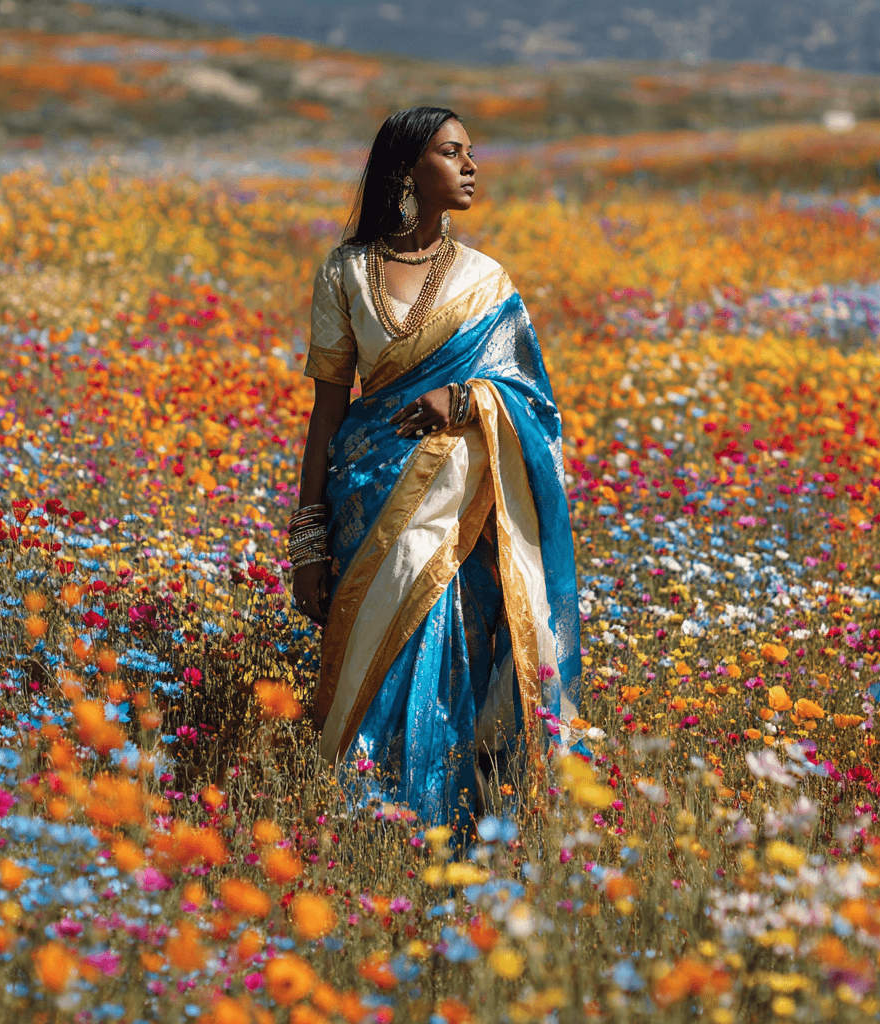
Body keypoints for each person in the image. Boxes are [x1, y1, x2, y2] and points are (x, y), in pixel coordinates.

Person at [290, 106, 580, 826]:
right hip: (366, 504)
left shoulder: (486, 281)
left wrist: (467, 398)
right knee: (369, 670)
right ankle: (360, 827)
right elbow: (327, 415)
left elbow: (536, 406)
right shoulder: (346, 270)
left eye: (470, 153)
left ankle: (452, 828)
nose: (471, 166)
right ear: (406, 171)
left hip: (462, 517)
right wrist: (306, 541)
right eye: (453, 153)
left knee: (452, 659)